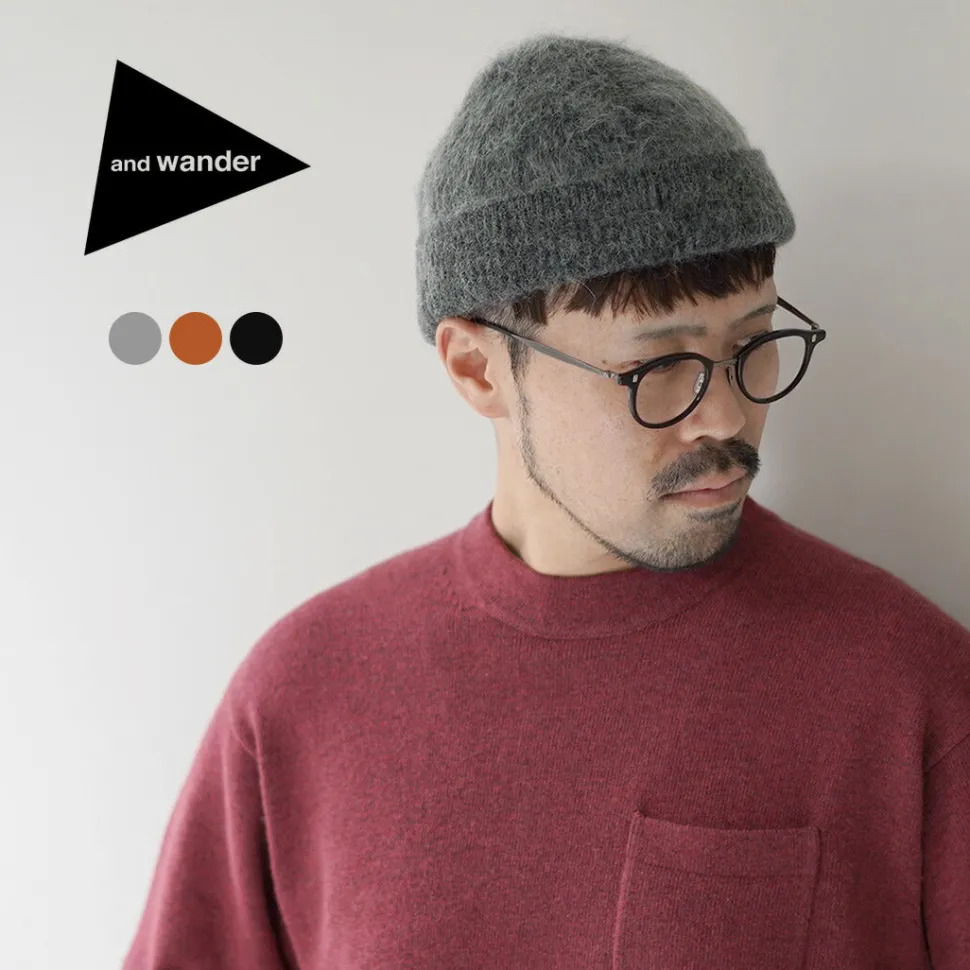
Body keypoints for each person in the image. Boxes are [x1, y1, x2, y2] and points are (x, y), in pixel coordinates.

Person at [122, 33, 970, 970]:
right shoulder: (301, 697)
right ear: (478, 368)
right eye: (658, 365)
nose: (728, 415)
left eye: (752, 343)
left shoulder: (910, 695)